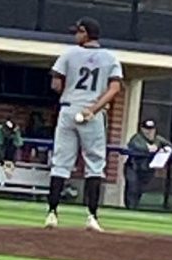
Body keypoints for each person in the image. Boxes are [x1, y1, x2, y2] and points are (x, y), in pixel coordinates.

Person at [45, 17, 123, 231]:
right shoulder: (110, 57)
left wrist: (71, 95)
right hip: (93, 113)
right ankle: (91, 216)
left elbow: (56, 83)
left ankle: (52, 213)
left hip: (69, 108)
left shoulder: (68, 54)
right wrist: (93, 109)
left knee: (61, 162)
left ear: (85, 33)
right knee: (95, 164)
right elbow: (115, 88)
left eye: (77, 32)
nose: (75, 36)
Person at [124, 119, 171, 210]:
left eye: (151, 129)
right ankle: (130, 208)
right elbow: (135, 145)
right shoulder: (137, 138)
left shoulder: (157, 139)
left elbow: (168, 145)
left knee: (140, 190)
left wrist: (161, 148)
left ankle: (135, 207)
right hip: (133, 167)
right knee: (132, 188)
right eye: (147, 129)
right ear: (142, 129)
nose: (149, 132)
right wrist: (147, 148)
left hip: (147, 169)